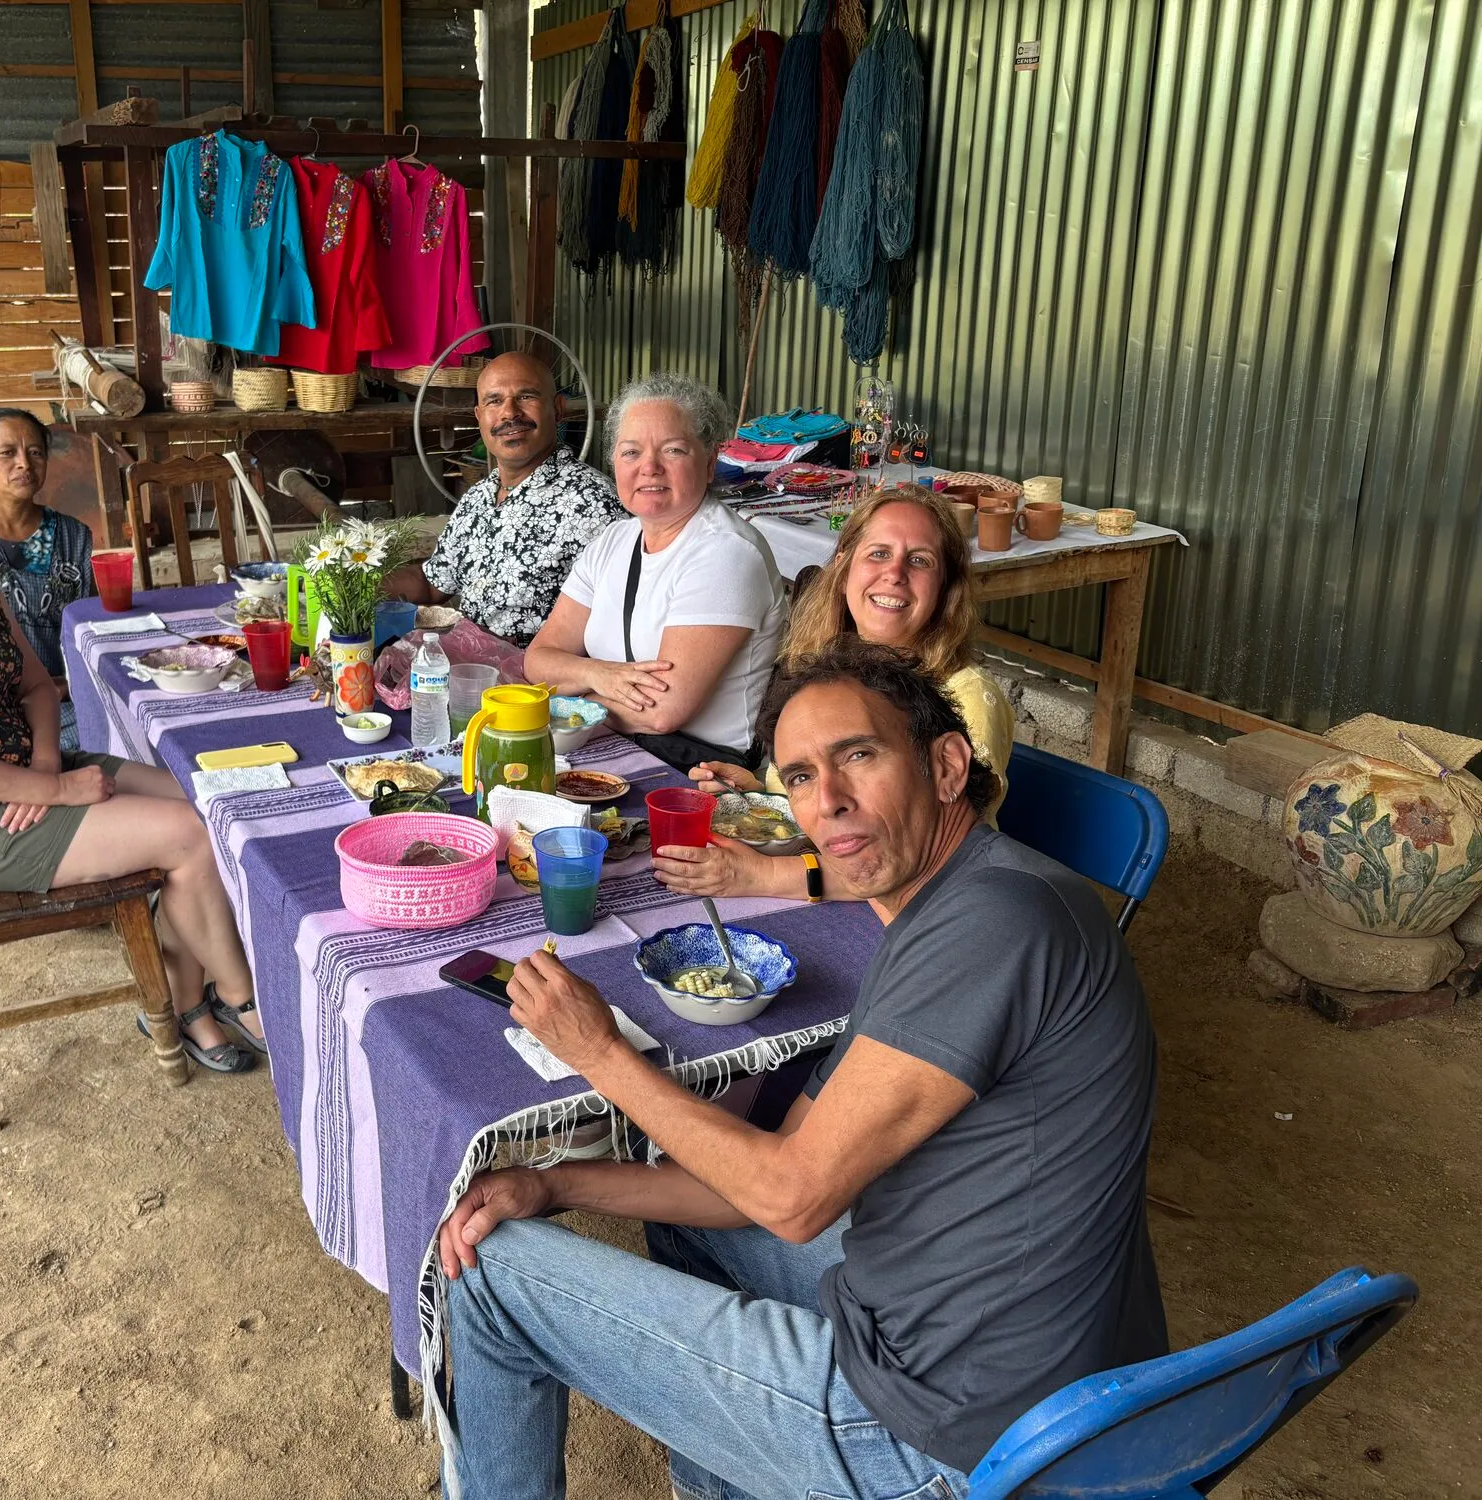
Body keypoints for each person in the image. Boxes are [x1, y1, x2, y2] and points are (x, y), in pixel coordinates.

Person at [436, 639, 1166, 1500]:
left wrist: (597, 1052)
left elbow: (791, 1196)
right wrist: (559, 1186)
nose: (832, 804)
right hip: (1017, 1370)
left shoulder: (994, 924)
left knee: (491, 1277)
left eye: (860, 755)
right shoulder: (961, 902)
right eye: (801, 778)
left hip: (965, 1442)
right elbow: (768, 1172)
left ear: (946, 765)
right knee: (692, 1219)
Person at [0, 408, 265, 1074]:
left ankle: (185, 1001)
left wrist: (44, 766)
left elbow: (38, 688)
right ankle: (243, 999)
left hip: (26, 777)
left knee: (210, 802)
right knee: (187, 835)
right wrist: (54, 789)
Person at [659, 486, 1016, 900]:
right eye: (878, 553)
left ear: (945, 587)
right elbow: (831, 807)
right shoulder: (821, 675)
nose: (895, 574)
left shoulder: (967, 695)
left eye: (919, 560)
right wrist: (762, 799)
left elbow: (921, 856)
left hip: (932, 908)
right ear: (844, 569)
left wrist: (759, 876)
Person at [523, 373, 786, 771]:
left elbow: (662, 712)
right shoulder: (614, 540)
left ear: (711, 462)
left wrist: (575, 700)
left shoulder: (726, 552)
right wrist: (600, 673)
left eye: (674, 450)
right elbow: (538, 661)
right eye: (631, 452)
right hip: (618, 743)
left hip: (699, 769)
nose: (649, 467)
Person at [385, 351, 620, 644]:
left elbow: (617, 625)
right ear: (479, 416)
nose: (509, 413)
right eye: (494, 401)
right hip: (470, 673)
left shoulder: (594, 502)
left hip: (540, 684)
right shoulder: (478, 500)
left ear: (558, 410)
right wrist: (357, 584)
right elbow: (434, 583)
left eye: (526, 397)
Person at [0, 408, 95, 753]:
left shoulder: (74, 537)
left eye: (36, 452)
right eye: (7, 453)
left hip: (62, 704)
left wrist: (68, 684)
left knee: (114, 735)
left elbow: (90, 629)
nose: (24, 463)